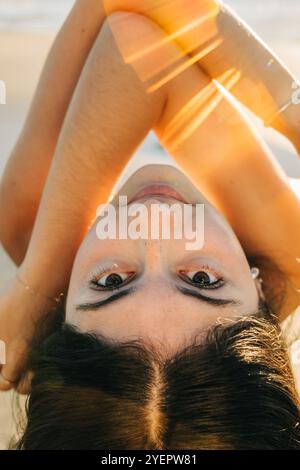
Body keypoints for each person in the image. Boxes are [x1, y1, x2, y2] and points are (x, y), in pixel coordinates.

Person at [0, 0, 299, 449]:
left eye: (111, 281)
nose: (154, 225)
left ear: (59, 316)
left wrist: (39, 280)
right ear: (260, 297)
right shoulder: (289, 255)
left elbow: (134, 38)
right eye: (202, 279)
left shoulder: (26, 223)